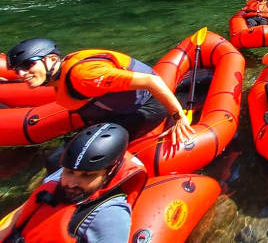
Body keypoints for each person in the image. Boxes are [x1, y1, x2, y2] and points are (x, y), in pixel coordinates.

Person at [7, 38, 194, 149]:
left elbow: (151, 81)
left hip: (146, 107)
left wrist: (178, 117)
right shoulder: (63, 73)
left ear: (52, 59)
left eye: (27, 65)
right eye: (17, 70)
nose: (22, 74)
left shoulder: (84, 76)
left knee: (72, 155)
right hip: (120, 108)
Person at [0, 123, 147, 243]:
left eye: (87, 176)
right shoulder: (56, 183)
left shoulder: (109, 215)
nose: (71, 183)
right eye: (69, 172)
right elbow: (17, 219)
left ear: (109, 172)